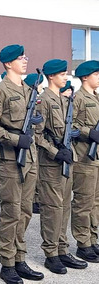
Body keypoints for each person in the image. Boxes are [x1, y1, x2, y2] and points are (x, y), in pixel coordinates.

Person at [0, 44, 44, 284]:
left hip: (31, 159)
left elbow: (36, 121)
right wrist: (16, 139)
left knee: (26, 211)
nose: (25, 60)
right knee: (11, 212)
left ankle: (20, 258)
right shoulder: (0, 92)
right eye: (20, 58)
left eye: (25, 56)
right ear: (8, 64)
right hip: (10, 161)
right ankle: (7, 263)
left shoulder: (29, 89)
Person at [35, 59, 87, 274]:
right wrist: (57, 152)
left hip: (68, 162)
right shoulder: (43, 100)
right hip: (51, 165)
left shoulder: (65, 101)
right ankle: (51, 254)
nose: (66, 77)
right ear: (51, 77)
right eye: (62, 74)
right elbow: (37, 135)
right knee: (52, 210)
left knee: (65, 208)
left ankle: (63, 250)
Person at [71, 60, 99, 263]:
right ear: (85, 77)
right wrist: (90, 133)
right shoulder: (78, 98)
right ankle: (83, 243)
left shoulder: (97, 98)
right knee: (83, 202)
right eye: (96, 74)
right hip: (84, 158)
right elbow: (71, 125)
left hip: (97, 158)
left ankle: (93, 238)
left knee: (96, 203)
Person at [23, 73, 44, 215]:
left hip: (33, 145)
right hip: (25, 143)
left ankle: (35, 200)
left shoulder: (35, 100)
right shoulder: (34, 101)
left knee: (35, 178)